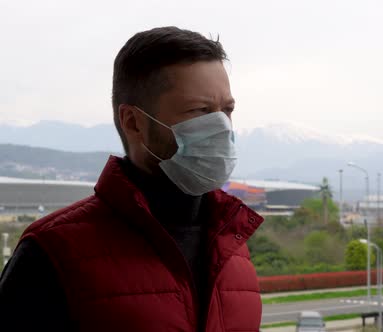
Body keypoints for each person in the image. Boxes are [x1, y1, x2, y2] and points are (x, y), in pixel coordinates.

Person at [0, 27, 264, 332]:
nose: (220, 126)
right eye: (200, 111)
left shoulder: (233, 250)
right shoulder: (52, 253)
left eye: (226, 110)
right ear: (133, 122)